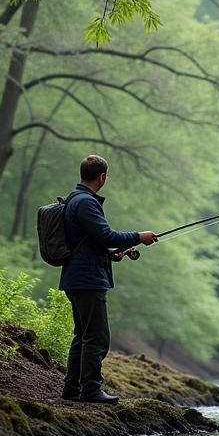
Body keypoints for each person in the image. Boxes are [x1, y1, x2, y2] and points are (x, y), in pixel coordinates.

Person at [59, 155, 158, 404]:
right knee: (97, 336)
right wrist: (139, 236)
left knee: (83, 335)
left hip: (78, 275)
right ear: (102, 177)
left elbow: (92, 241)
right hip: (87, 279)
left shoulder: (75, 199)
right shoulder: (85, 202)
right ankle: (90, 390)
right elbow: (106, 235)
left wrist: (112, 255)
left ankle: (71, 389)